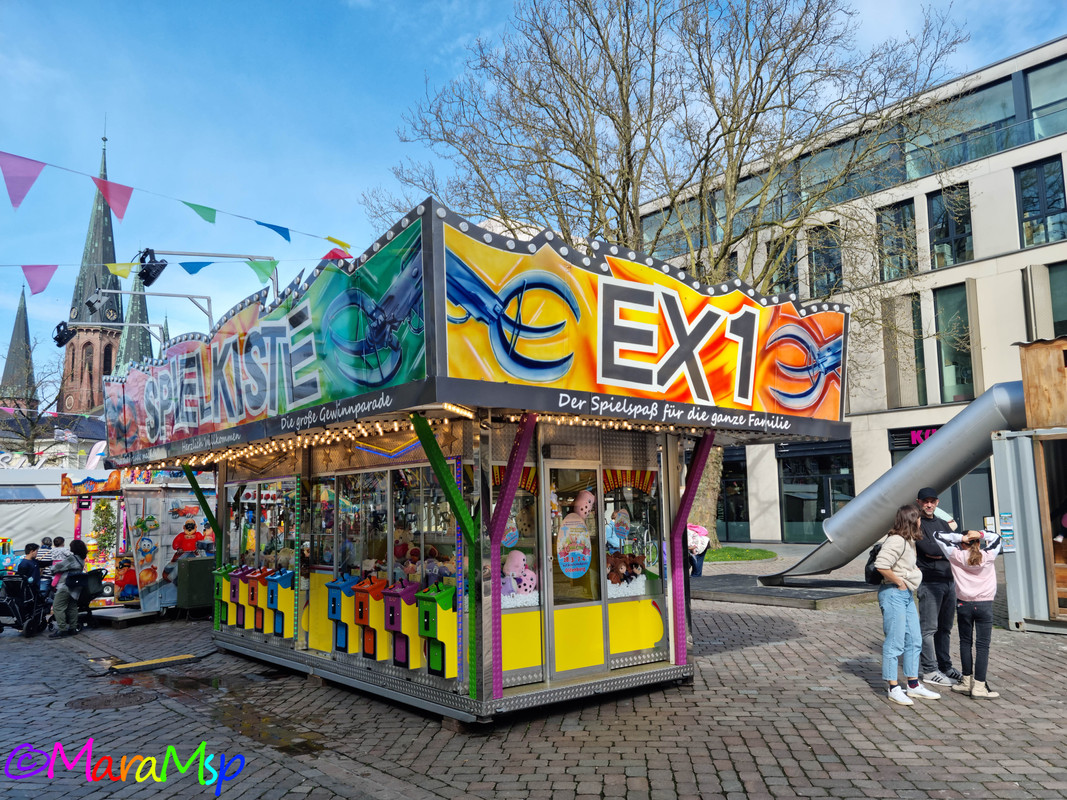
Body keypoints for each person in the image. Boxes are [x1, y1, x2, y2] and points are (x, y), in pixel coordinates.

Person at [873, 504, 941, 706]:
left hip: (906, 594)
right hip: (894, 594)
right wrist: (900, 582)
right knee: (895, 642)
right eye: (919, 518)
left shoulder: (909, 540)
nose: (922, 521)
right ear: (912, 520)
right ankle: (893, 687)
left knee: (914, 639)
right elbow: (881, 565)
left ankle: (913, 685)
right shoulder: (895, 541)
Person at [930, 527, 1003, 699]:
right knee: (982, 646)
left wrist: (960, 537)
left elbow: (937, 534)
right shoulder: (988, 555)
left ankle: (966, 681)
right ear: (978, 542)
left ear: (962, 543)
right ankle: (979, 686)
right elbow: (998, 538)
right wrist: (981, 534)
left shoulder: (956, 555)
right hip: (984, 604)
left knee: (965, 643)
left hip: (964, 604)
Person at [914, 487, 963, 687]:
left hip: (949, 581)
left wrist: (943, 550)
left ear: (937, 502)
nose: (929, 504)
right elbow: (928, 548)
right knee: (928, 629)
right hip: (929, 582)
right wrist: (946, 548)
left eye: (932, 501)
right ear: (919, 502)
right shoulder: (916, 524)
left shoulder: (943, 524)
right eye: (925, 501)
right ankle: (929, 670)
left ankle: (945, 666)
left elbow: (956, 548)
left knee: (945, 628)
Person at [49, 539, 87, 638]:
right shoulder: (81, 559)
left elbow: (57, 567)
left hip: (65, 585)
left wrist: (51, 568)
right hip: (75, 588)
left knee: (57, 607)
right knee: (72, 607)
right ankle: (73, 628)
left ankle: (62, 629)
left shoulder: (72, 559)